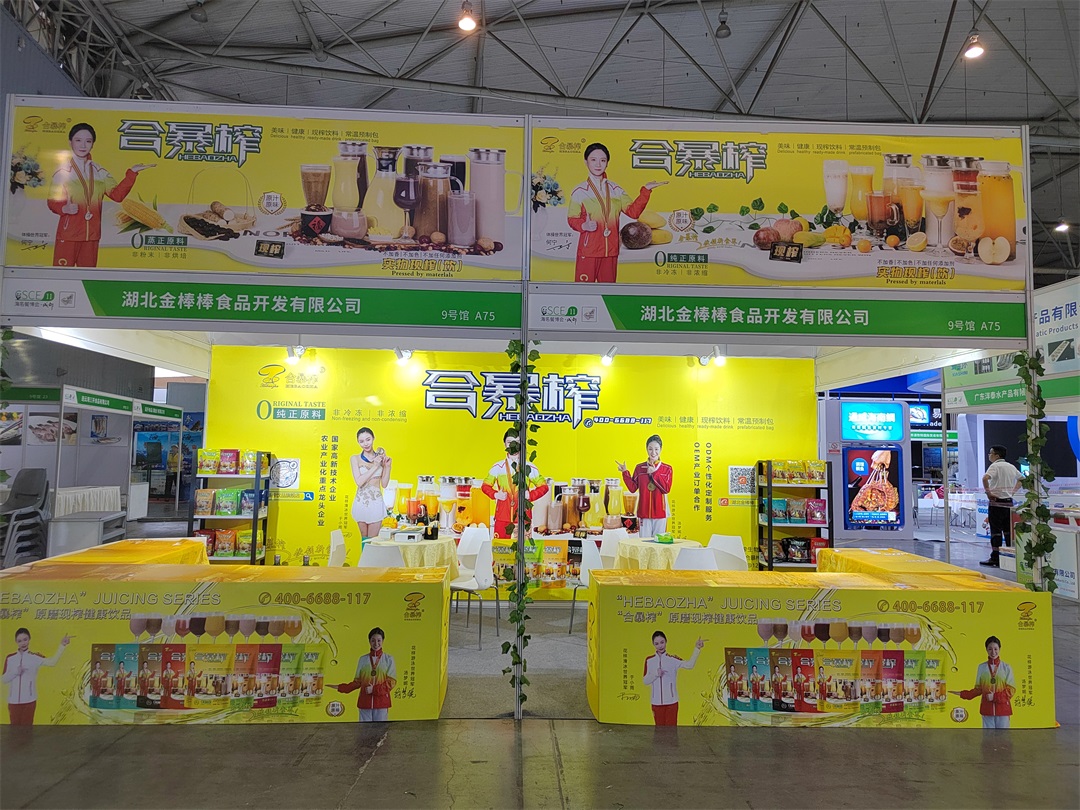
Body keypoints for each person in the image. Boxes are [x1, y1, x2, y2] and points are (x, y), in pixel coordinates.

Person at [47, 122, 155, 267]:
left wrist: (132, 173)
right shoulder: (63, 172)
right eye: (78, 140)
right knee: (62, 277)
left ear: (93, 144)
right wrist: (64, 208)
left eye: (88, 141)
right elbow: (52, 201)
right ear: (70, 142)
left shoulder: (99, 171)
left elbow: (117, 195)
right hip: (68, 235)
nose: (83, 145)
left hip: (91, 237)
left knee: (88, 277)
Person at [567, 142, 667, 283]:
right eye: (593, 160)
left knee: (608, 291)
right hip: (588, 251)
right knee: (584, 292)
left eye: (603, 160)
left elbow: (633, 212)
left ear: (607, 163)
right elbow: (572, 219)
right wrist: (584, 226)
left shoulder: (616, 190)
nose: (598, 164)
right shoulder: (579, 191)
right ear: (586, 162)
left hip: (611, 251)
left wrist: (646, 191)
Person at [482, 428, 549, 540]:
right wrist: (495, 494)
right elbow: (485, 486)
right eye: (509, 442)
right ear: (505, 444)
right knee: (500, 549)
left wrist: (530, 495)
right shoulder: (498, 467)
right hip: (502, 517)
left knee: (525, 549)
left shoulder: (529, 467)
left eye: (517, 442)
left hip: (523, 517)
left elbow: (544, 487)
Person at [2, 628, 71, 725]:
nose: (23, 643)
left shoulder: (34, 657)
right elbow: (3, 679)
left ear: (29, 639)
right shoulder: (10, 658)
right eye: (19, 641)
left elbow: (52, 662)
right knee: (14, 730)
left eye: (25, 639)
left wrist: (62, 645)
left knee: (27, 729)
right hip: (13, 702)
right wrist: (15, 672)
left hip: (29, 701)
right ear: (16, 642)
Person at [334, 627, 397, 722]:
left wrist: (374, 689)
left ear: (383, 641)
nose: (376, 643)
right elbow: (357, 682)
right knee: (364, 729)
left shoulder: (388, 659)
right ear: (369, 641)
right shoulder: (363, 659)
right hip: (365, 702)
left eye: (379, 640)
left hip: (381, 702)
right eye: (373, 640)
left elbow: (391, 682)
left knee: (380, 729)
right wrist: (341, 687)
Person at [950, 635, 1015, 728]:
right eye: (990, 649)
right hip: (987, 710)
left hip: (1003, 710)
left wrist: (994, 697)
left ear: (1000, 649)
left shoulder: (1006, 667)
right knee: (988, 736)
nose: (993, 652)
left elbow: (1011, 690)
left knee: (1003, 736)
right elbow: (978, 689)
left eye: (995, 649)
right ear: (986, 650)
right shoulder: (982, 667)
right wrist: (963, 694)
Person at [641, 631, 705, 726]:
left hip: (671, 703)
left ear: (666, 641)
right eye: (656, 644)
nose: (660, 646)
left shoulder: (672, 659)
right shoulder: (649, 660)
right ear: (653, 644)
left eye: (662, 642)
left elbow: (689, 665)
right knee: (659, 731)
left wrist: (697, 648)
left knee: (671, 731)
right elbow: (645, 681)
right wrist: (656, 674)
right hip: (656, 703)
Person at [618, 434, 673, 538]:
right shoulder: (640, 468)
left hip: (660, 513)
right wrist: (625, 472)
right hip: (644, 512)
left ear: (661, 449)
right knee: (644, 542)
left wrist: (654, 473)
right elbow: (633, 488)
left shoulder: (667, 469)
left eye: (656, 449)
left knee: (659, 543)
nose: (653, 452)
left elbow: (666, 489)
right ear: (646, 449)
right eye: (650, 449)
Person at [980, 445, 1022, 567]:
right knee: (1008, 530)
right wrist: (1012, 492)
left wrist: (988, 493)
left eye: (991, 453)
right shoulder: (1011, 466)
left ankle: (996, 557)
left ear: (997, 455)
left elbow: (985, 478)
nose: (989, 455)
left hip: (996, 501)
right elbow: (1022, 479)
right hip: (1008, 502)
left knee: (996, 531)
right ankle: (1010, 555)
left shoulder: (995, 466)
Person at [350, 427, 392, 540]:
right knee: (364, 539)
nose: (365, 443)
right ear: (358, 442)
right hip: (361, 501)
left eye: (368, 439)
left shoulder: (380, 458)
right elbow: (359, 482)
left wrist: (388, 467)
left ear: (373, 438)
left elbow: (384, 484)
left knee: (373, 540)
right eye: (361, 441)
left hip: (376, 502)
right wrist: (375, 466)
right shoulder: (355, 458)